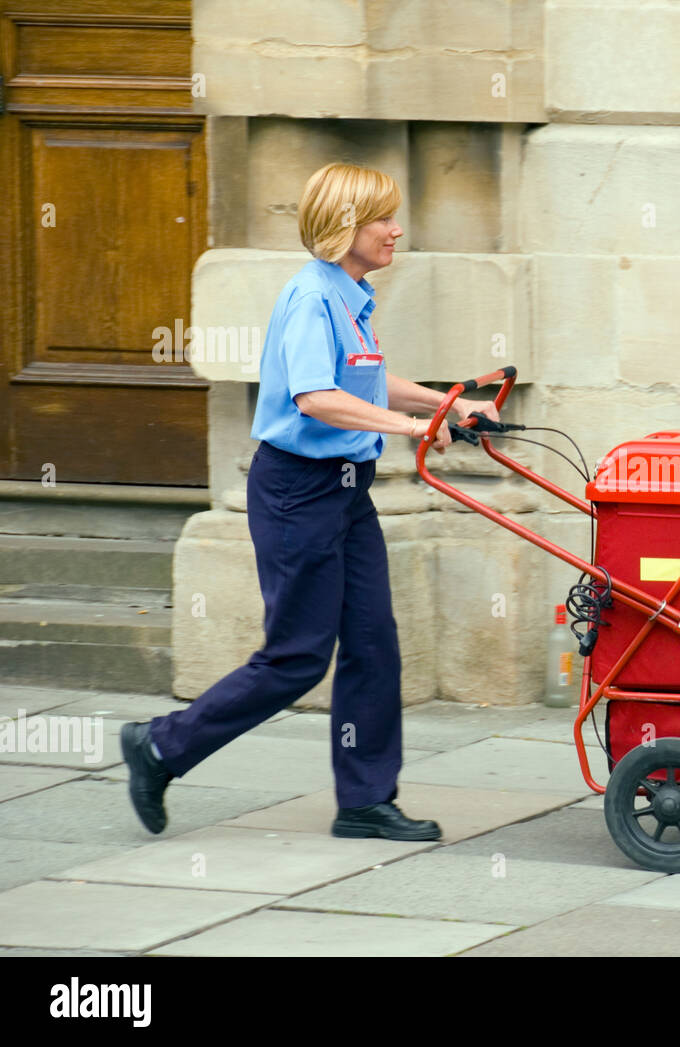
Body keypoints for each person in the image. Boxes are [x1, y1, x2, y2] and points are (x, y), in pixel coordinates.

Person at [120, 162, 500, 841]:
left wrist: (452, 405)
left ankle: (365, 799)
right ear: (344, 226)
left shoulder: (350, 293)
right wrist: (417, 428)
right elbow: (316, 397)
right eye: (383, 218)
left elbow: (368, 383)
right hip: (296, 492)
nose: (396, 229)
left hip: (347, 494)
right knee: (295, 657)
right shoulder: (310, 296)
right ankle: (160, 745)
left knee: (374, 642)